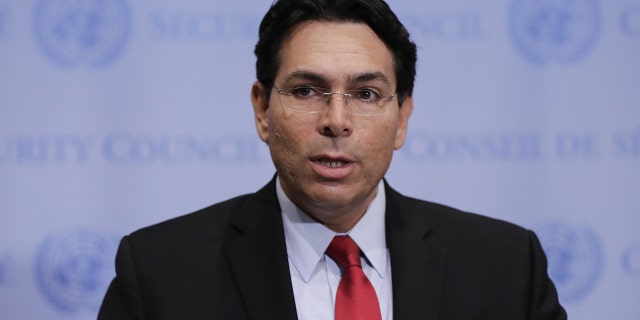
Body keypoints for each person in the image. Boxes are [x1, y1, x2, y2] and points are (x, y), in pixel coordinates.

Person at [98, 0, 567, 319]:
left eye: (366, 93)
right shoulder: (161, 273)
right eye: (306, 91)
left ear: (402, 116)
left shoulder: (505, 267)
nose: (337, 121)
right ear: (262, 109)